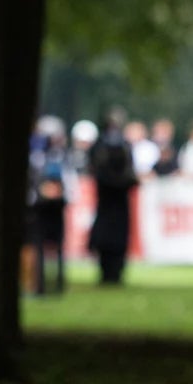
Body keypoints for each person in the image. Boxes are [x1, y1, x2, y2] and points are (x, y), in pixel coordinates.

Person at [87, 111, 139, 286]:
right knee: (115, 239)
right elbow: (130, 175)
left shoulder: (101, 145)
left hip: (108, 201)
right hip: (115, 200)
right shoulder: (122, 145)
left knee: (108, 238)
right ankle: (113, 274)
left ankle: (110, 273)